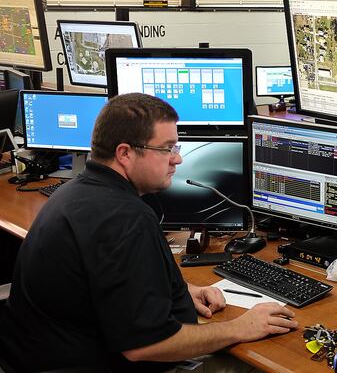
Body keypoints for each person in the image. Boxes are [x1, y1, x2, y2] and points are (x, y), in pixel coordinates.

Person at [0, 93, 298, 371]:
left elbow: (108, 279)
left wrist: (176, 289)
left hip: (37, 355)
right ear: (125, 153)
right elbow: (145, 346)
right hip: (92, 363)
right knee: (249, 365)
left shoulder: (77, 192)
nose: (178, 159)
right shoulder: (124, 218)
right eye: (167, 148)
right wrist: (241, 327)